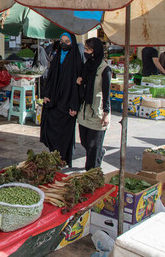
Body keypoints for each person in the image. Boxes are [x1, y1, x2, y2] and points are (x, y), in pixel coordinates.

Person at [40, 32, 83, 167]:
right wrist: (46, 94)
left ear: (72, 43)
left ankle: (63, 158)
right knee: (50, 128)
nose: (63, 44)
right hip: (54, 101)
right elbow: (51, 78)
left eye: (67, 41)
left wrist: (74, 105)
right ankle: (54, 155)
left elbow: (78, 85)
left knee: (64, 134)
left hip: (68, 102)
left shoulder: (76, 58)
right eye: (61, 40)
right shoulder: (57, 57)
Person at [76, 38, 111, 170]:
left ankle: (92, 172)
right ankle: (99, 153)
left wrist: (106, 113)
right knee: (85, 142)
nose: (86, 52)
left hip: (98, 111)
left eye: (89, 50)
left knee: (93, 146)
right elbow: (84, 82)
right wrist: (80, 81)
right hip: (84, 111)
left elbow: (106, 93)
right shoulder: (87, 65)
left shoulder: (105, 69)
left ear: (96, 51)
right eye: (85, 49)